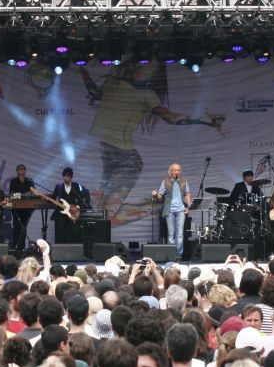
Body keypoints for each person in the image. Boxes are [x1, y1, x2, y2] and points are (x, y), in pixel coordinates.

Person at [83, 60, 225, 227]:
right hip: (107, 156)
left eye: (151, 72)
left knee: (108, 216)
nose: (146, 74)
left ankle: (162, 203)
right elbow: (95, 91)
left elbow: (171, 117)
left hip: (126, 161)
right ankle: (162, 202)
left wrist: (204, 120)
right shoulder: (115, 85)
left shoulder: (147, 95)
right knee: (100, 213)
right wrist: (81, 70)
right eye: (144, 68)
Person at [151, 163, 192, 258]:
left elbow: (187, 194)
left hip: (181, 210)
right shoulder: (165, 181)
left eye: (179, 170)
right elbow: (160, 197)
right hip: (169, 210)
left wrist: (188, 207)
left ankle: (178, 255)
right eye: (175, 170)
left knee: (180, 234)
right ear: (171, 171)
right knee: (171, 234)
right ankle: (171, 255)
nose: (177, 172)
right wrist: (156, 194)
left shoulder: (183, 181)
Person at [51, 167, 89, 244]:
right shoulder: (59, 186)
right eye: (65, 176)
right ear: (63, 177)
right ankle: (60, 249)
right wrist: (52, 200)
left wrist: (77, 207)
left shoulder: (76, 186)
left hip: (72, 213)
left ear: (71, 177)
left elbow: (84, 198)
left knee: (74, 232)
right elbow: (53, 198)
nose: (66, 177)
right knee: (60, 231)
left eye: (68, 176)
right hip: (61, 212)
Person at [9, 164, 35, 252]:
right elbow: (12, 194)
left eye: (24, 169)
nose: (22, 170)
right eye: (20, 169)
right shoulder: (13, 181)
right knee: (17, 226)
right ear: (17, 171)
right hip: (16, 207)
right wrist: (20, 195)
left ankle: (22, 247)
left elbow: (32, 192)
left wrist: (22, 195)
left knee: (24, 227)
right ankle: (15, 247)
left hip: (27, 208)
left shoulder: (29, 181)